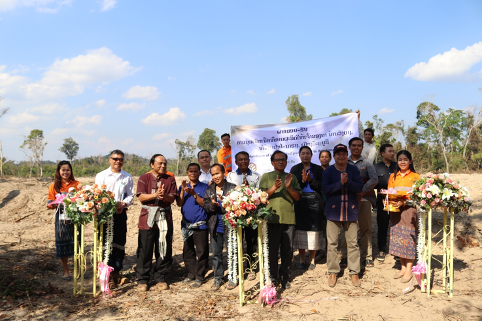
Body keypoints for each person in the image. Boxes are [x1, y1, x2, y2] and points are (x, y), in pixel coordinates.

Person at [322, 144, 363, 287]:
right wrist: (340, 183)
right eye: (338, 154)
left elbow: (359, 187)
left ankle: (354, 272)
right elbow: (325, 190)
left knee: (353, 243)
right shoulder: (328, 171)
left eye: (344, 154)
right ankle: (333, 271)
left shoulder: (353, 170)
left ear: (347, 155)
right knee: (332, 243)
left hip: (350, 211)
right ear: (334, 156)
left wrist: (348, 182)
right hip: (333, 212)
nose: (341, 156)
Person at [259, 150, 302, 289]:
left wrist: (288, 187)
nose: (280, 161)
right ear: (272, 162)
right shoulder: (266, 177)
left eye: (283, 159)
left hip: (289, 219)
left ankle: (285, 277)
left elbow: (298, 197)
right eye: (277, 160)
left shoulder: (291, 177)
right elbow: (261, 197)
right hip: (272, 220)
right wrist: (274, 187)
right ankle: (272, 277)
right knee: (272, 251)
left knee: (287, 250)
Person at [135, 154, 178, 292]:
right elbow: (141, 197)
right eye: (160, 163)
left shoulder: (170, 179)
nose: (163, 166)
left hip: (165, 216)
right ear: (152, 165)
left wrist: (163, 195)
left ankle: (160, 277)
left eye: (165, 163)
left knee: (163, 247)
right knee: (145, 249)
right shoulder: (144, 178)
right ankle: (143, 279)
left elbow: (171, 199)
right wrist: (155, 195)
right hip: (147, 217)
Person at [95, 150, 134, 289]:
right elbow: (97, 195)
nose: (118, 161)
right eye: (115, 159)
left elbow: (130, 195)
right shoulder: (101, 176)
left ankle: (117, 272)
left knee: (119, 243)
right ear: (110, 160)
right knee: (105, 244)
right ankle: (107, 275)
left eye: (121, 159)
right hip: (105, 215)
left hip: (120, 214)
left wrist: (124, 203)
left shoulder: (127, 177)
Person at [341, 137, 378, 269]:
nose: (356, 147)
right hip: (347, 201)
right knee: (347, 229)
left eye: (359, 145)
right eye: (354, 145)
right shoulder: (344, 162)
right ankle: (345, 256)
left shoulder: (367, 163)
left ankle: (367, 257)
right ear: (349, 147)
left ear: (362, 147)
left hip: (364, 200)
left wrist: (362, 191)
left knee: (366, 228)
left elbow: (374, 179)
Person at [227, 151, 262, 280]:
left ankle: (252, 268)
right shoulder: (230, 176)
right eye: (240, 159)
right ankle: (239, 268)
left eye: (245, 159)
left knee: (252, 241)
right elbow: (229, 194)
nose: (243, 161)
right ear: (235, 162)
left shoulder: (256, 176)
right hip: (237, 215)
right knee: (238, 241)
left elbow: (259, 194)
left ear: (249, 161)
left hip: (251, 215)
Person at [387, 150, 420, 283]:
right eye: (400, 159)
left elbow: (418, 196)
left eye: (405, 159)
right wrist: (392, 200)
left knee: (408, 239)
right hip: (395, 211)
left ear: (410, 161)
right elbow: (389, 192)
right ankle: (402, 267)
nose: (402, 162)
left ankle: (409, 270)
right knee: (399, 239)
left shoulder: (416, 177)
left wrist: (405, 202)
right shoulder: (393, 176)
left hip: (409, 211)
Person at [203, 164, 237, 291]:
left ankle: (233, 277)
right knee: (216, 254)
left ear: (224, 173)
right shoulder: (210, 190)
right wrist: (213, 206)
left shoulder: (232, 188)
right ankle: (218, 278)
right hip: (215, 226)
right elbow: (206, 206)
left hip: (229, 227)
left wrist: (223, 204)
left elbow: (236, 207)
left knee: (231, 253)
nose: (215, 176)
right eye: (213, 174)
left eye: (218, 173)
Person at [290, 146, 324, 270]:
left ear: (311, 155)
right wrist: (303, 181)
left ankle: (312, 260)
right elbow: (292, 186)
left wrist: (311, 180)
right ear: (299, 155)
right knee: (301, 232)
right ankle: (302, 259)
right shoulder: (295, 169)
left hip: (314, 201)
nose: (305, 155)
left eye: (307, 153)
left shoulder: (318, 169)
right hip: (300, 202)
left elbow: (322, 186)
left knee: (313, 231)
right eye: (303, 153)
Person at [176, 163, 209, 288]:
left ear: (200, 173)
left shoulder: (205, 187)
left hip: (200, 225)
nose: (193, 173)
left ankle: (200, 276)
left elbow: (204, 204)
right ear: (187, 173)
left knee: (202, 251)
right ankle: (191, 273)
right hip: (186, 225)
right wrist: (183, 191)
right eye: (191, 171)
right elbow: (179, 204)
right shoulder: (182, 187)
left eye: (196, 171)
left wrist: (194, 193)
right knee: (188, 251)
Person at [47, 161, 81, 280]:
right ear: (59, 171)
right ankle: (66, 271)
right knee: (62, 244)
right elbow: (50, 202)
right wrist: (55, 203)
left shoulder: (77, 184)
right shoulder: (54, 186)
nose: (65, 172)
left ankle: (79, 270)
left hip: (76, 218)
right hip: (61, 219)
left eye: (68, 170)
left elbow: (83, 199)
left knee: (78, 243)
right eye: (63, 170)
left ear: (71, 171)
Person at [374, 143, 396, 262]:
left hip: (397, 202)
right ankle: (381, 250)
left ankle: (396, 250)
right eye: (390, 151)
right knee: (382, 226)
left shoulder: (397, 166)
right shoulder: (376, 167)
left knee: (396, 226)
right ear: (383, 153)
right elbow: (372, 184)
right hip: (382, 201)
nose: (392, 153)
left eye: (393, 151)